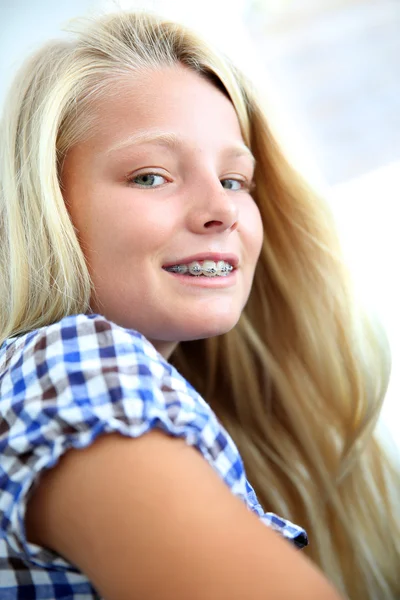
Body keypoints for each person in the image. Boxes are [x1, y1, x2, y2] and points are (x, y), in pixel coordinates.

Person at [0, 10, 398, 600]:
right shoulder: (69, 366)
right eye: (152, 176)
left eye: (236, 180)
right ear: (46, 207)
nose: (222, 209)